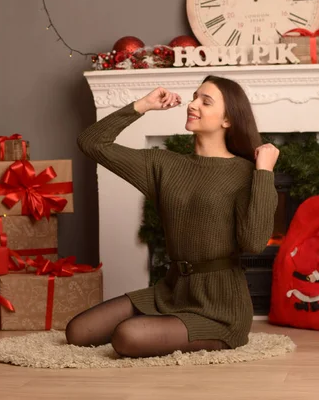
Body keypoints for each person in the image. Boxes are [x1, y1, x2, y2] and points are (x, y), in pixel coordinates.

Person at [66, 75, 279, 358]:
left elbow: (254, 243)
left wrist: (264, 173)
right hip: (172, 290)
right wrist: (143, 105)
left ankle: (207, 332)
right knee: (78, 331)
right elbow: (91, 142)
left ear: (227, 119)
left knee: (127, 336)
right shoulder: (163, 164)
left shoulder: (246, 173)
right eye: (194, 97)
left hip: (220, 306)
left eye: (205, 101)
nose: (192, 105)